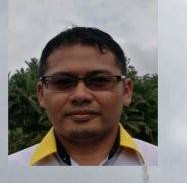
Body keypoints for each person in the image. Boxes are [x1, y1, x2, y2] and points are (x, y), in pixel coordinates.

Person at [8, 27, 157, 166]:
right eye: (62, 82)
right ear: (41, 94)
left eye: (99, 81)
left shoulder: (159, 162)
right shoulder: (11, 168)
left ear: (126, 91)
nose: (80, 95)